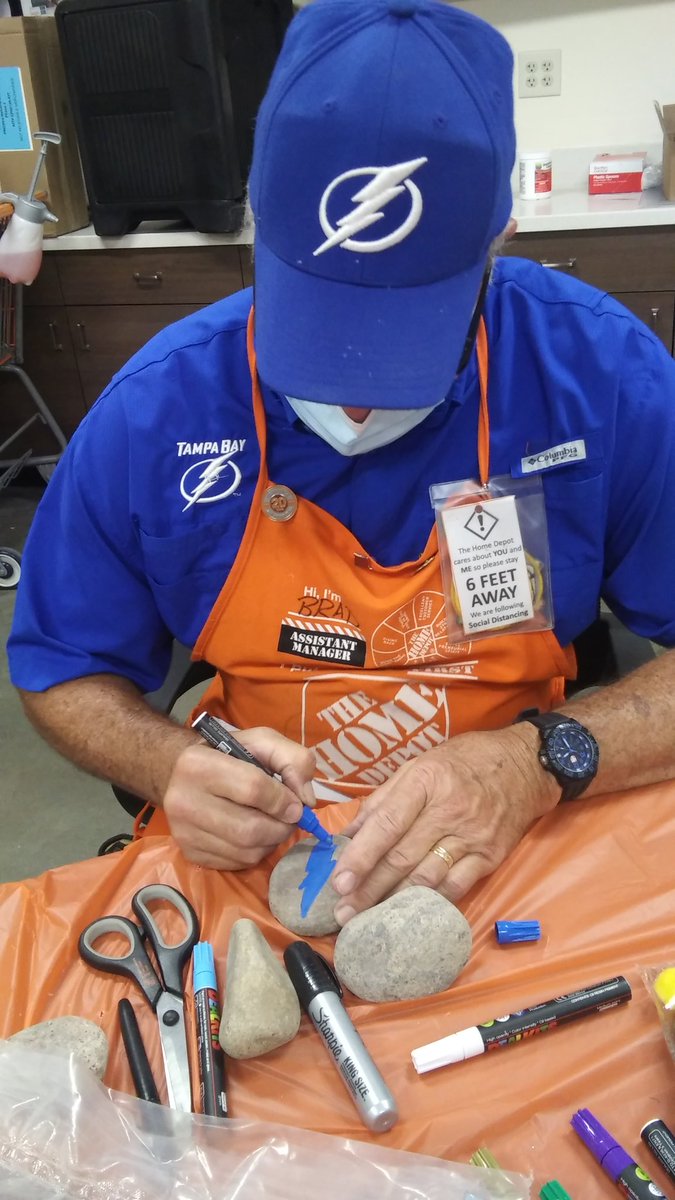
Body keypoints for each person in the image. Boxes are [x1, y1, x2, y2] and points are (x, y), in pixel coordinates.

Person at [7, 0, 675, 925]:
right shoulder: (157, 411)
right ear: (257, 224)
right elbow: (60, 667)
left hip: (523, 820)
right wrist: (167, 766)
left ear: (499, 232)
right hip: (259, 844)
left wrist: (537, 761)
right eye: (323, 329)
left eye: (403, 340)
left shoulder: (601, 379)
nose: (355, 403)